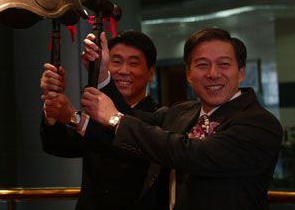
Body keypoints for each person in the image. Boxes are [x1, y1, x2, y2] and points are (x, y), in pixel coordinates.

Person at [80, 28, 283, 210]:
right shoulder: (182, 111)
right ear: (189, 74)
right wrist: (102, 75)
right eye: (202, 65)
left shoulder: (260, 123)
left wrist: (116, 119)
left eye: (224, 64)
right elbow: (134, 120)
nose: (213, 74)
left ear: (241, 72)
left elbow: (192, 154)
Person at [40, 30, 160, 209]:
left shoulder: (158, 117)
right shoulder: (94, 115)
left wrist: (74, 117)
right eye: (116, 62)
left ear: (150, 73)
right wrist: (53, 102)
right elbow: (57, 145)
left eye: (133, 63)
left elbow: (126, 142)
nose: (123, 71)